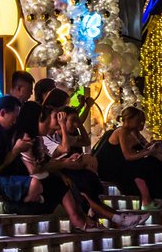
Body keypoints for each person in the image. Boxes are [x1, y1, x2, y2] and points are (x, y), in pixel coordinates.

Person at [29, 95, 149, 228]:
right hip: (50, 179)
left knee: (87, 181)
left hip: (60, 174)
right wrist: (64, 166)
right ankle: (113, 219)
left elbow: (78, 145)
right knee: (81, 190)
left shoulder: (48, 138)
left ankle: (115, 218)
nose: (58, 119)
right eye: (54, 117)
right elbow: (56, 155)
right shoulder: (39, 139)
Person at [95, 105, 162, 211]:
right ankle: (146, 201)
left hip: (126, 164)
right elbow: (127, 155)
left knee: (157, 164)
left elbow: (147, 148)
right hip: (112, 167)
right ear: (129, 119)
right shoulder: (121, 131)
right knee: (143, 166)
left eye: (143, 121)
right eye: (139, 120)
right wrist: (147, 152)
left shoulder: (136, 133)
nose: (141, 124)